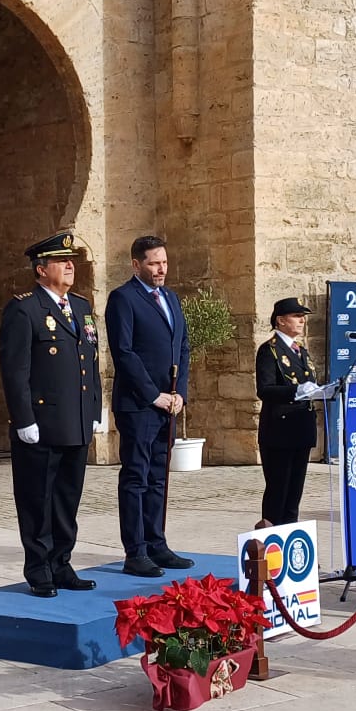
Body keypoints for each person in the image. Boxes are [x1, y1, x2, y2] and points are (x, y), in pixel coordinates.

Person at [0, 232, 103, 597]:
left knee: (66, 499)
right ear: (41, 269)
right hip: (41, 425)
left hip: (74, 422)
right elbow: (15, 371)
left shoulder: (81, 307)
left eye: (71, 260)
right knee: (37, 499)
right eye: (61, 261)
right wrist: (23, 419)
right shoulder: (24, 309)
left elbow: (90, 359)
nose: (70, 265)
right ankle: (39, 567)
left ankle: (62, 562)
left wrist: (94, 409)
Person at [105, 234, 193, 578]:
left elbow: (182, 346)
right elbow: (124, 353)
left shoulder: (170, 297)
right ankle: (136, 551)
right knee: (137, 477)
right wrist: (152, 394)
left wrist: (179, 392)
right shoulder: (123, 299)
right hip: (139, 405)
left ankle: (157, 542)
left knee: (158, 477)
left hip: (169, 403)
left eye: (164, 262)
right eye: (154, 263)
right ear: (136, 264)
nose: (161, 269)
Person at [256, 297, 321, 525]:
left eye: (302, 316)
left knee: (294, 494)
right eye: (296, 316)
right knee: (278, 491)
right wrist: (296, 390)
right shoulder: (269, 351)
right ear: (281, 321)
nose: (302, 320)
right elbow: (264, 389)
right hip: (279, 431)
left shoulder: (301, 351)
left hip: (301, 429)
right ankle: (271, 545)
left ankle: (291, 545)